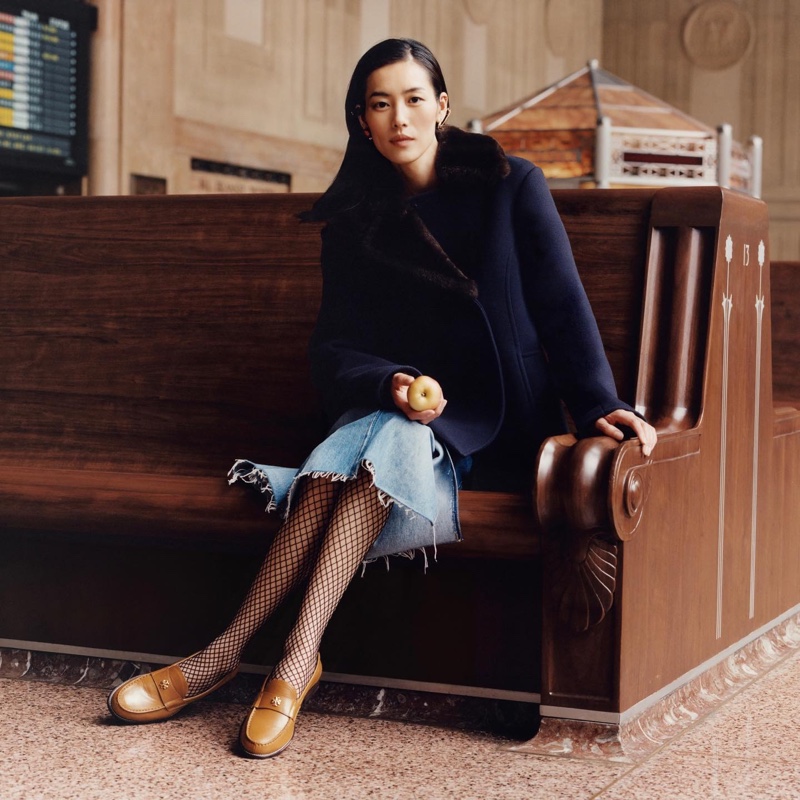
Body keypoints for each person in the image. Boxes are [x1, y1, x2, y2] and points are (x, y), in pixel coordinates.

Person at [107, 38, 657, 758]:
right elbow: (334, 349)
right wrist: (391, 381)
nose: (399, 117)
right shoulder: (355, 220)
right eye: (379, 103)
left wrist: (596, 405)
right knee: (383, 431)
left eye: (413, 98)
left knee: (362, 447)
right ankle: (291, 663)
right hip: (397, 417)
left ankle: (224, 656)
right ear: (360, 121)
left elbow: (560, 301)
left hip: (496, 428)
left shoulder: (508, 184)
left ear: (442, 107)